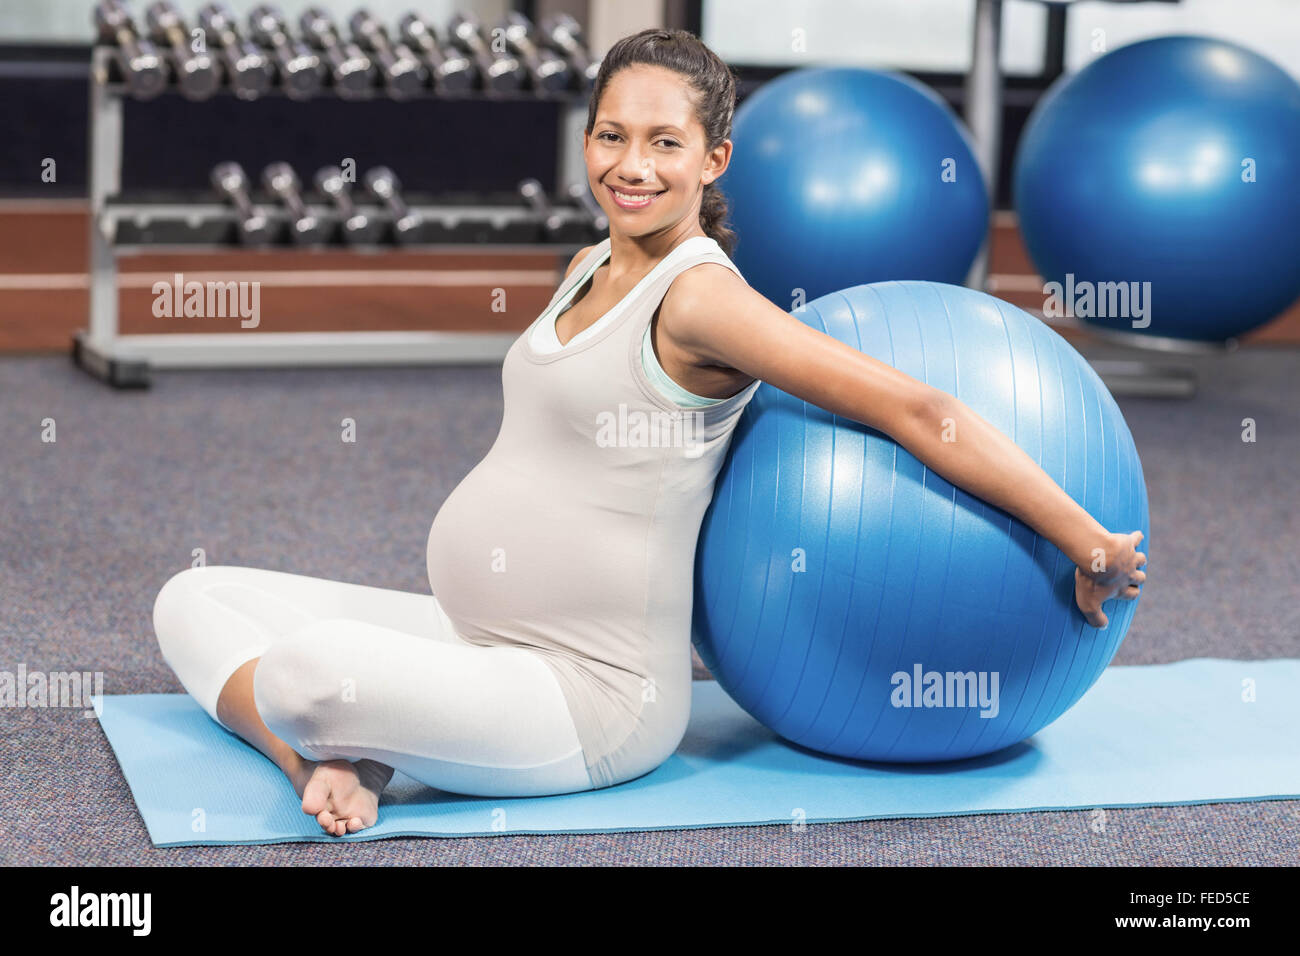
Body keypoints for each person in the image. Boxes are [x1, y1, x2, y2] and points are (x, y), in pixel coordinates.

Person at [153, 29, 1147, 837]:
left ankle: (341, 732)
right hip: (473, 631)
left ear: (712, 158)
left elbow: (915, 406)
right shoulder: (592, 259)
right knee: (194, 595)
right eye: (610, 136)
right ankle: (331, 755)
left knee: (301, 672)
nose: (631, 166)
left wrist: (1085, 538)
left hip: (587, 696)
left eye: (664, 143)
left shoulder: (706, 299)